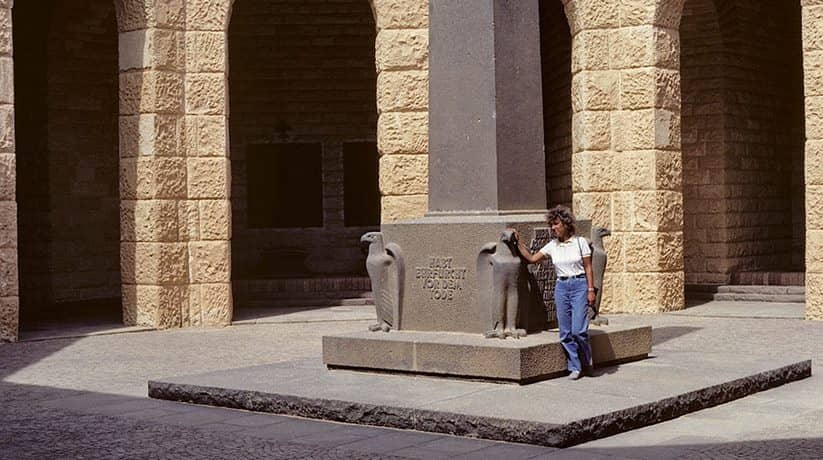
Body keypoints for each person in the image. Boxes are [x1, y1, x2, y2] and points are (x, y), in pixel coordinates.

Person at [511, 205, 595, 380]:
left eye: (556, 224)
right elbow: (532, 259)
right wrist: (518, 243)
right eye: (552, 225)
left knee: (579, 330)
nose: (553, 228)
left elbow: (588, 268)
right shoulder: (552, 246)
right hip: (562, 287)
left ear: (565, 224)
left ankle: (587, 360)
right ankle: (575, 366)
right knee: (565, 332)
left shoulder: (580, 243)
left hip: (579, 284)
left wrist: (590, 290)